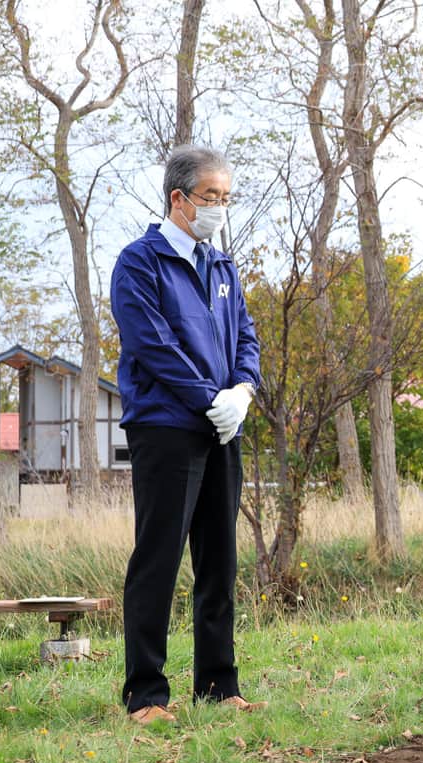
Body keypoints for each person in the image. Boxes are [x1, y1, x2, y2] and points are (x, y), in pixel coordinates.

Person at [111, 145, 262, 725]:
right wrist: (209, 400)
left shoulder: (222, 265)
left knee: (218, 560)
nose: (219, 209)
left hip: (224, 427)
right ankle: (146, 695)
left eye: (225, 199)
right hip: (167, 429)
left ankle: (218, 686)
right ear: (179, 198)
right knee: (158, 559)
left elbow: (245, 335)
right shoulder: (140, 263)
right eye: (210, 198)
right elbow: (153, 347)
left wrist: (243, 390)